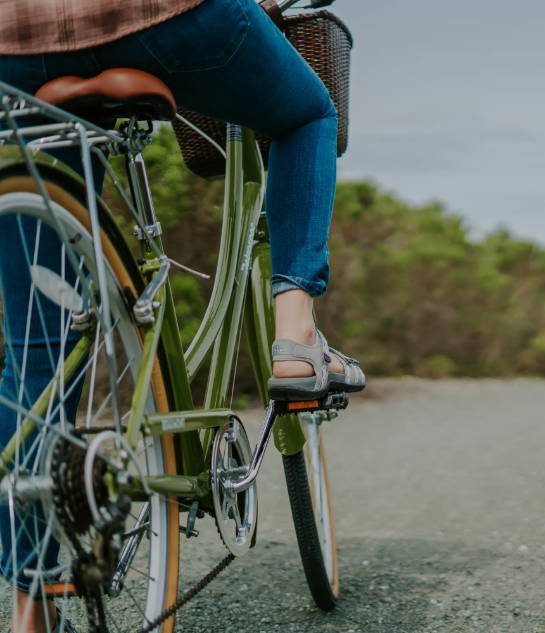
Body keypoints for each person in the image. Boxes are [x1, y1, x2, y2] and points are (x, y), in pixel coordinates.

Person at [0, 0, 364, 630]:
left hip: (14, 46)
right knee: (307, 114)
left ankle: (33, 602)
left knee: (35, 342)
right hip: (162, 18)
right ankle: (296, 334)